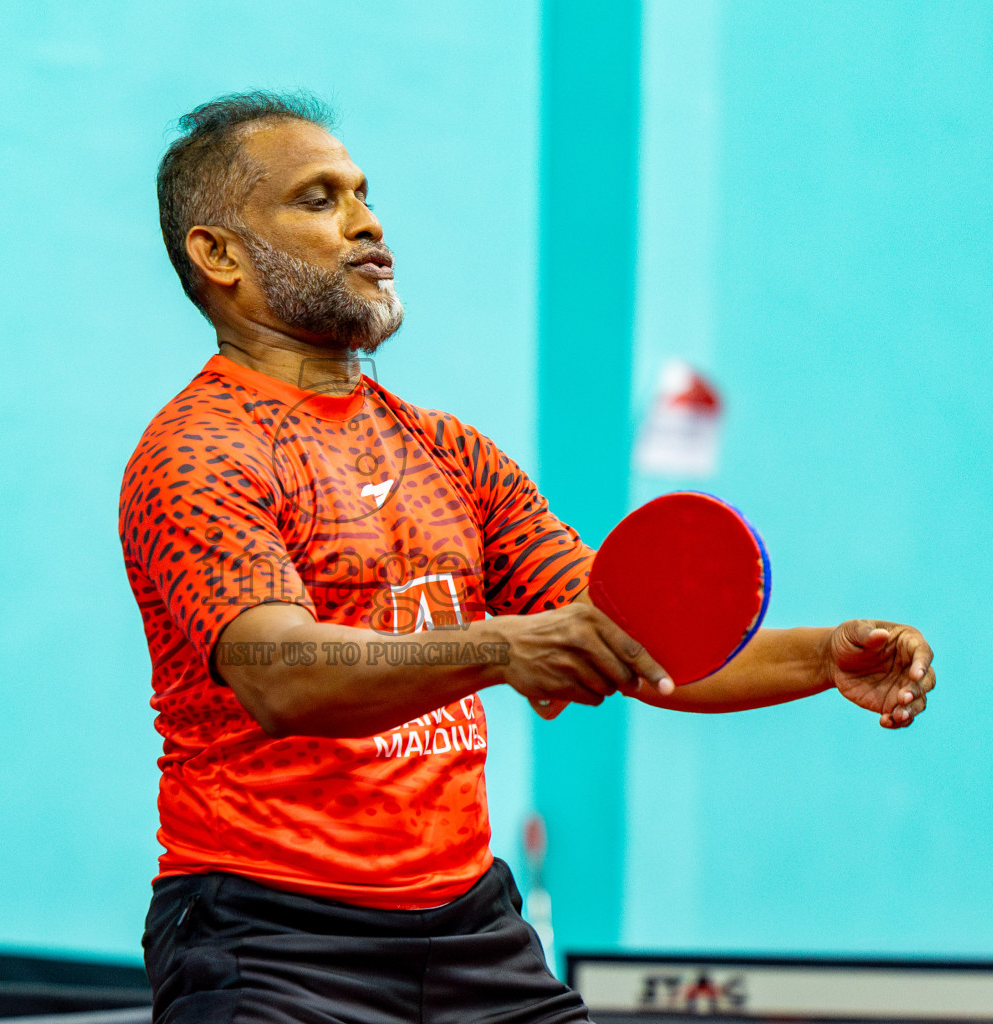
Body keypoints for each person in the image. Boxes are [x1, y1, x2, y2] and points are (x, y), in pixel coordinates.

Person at [119, 92, 936, 1024]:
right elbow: (281, 673)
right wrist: (502, 648)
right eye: (318, 199)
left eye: (362, 192)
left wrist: (824, 659)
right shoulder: (199, 452)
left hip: (469, 929)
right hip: (272, 939)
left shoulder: (450, 453)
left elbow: (632, 638)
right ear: (218, 254)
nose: (367, 221)